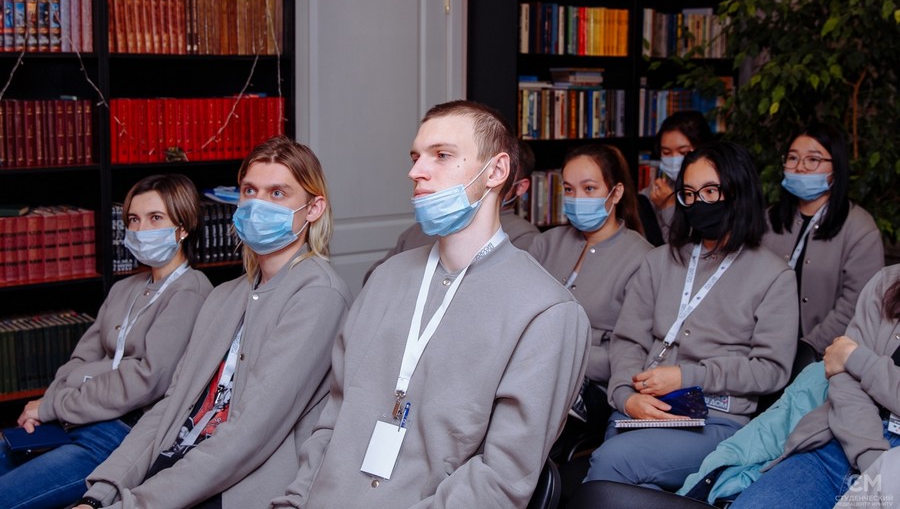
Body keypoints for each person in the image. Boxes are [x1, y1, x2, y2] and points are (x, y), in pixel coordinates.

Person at [271, 100, 590, 508]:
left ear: (496, 172)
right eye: (415, 157)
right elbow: (332, 420)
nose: (416, 171)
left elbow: (499, 481)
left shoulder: (548, 313)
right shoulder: (386, 278)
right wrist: (295, 500)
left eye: (441, 155)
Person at [75, 136, 353, 509]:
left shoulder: (319, 295)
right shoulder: (223, 296)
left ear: (313, 208)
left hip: (236, 490)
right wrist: (100, 494)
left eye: (277, 193)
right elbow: (171, 406)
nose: (257, 205)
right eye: (249, 191)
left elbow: (250, 432)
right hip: (174, 468)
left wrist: (132, 504)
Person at [583, 140, 799, 491]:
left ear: (738, 193)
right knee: (639, 488)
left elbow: (770, 370)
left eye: (711, 192)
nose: (699, 203)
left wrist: (688, 376)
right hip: (642, 408)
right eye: (689, 193)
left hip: (715, 420)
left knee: (612, 461)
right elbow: (628, 341)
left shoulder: (774, 276)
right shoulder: (659, 261)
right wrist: (626, 396)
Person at [0, 174, 213, 509]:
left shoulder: (191, 290)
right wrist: (43, 409)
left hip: (117, 434)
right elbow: (78, 360)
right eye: (134, 219)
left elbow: (146, 380)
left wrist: (54, 405)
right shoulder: (123, 288)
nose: (141, 229)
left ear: (183, 227)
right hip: (71, 419)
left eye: (155, 218)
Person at [730, 264, 900, 509]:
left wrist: (858, 359)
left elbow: (848, 359)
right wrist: (872, 460)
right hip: (842, 438)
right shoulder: (888, 281)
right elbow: (842, 376)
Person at [528, 143, 651, 425]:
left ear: (615, 193)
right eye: (569, 189)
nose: (577, 198)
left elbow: (630, 354)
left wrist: (558, 354)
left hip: (592, 387)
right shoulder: (544, 243)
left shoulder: (642, 258)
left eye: (589, 189)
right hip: (527, 371)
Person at [762, 123, 884, 359]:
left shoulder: (860, 228)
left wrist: (809, 346)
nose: (800, 167)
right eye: (793, 158)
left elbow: (856, 303)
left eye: (813, 159)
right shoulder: (768, 219)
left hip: (824, 356)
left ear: (835, 168)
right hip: (765, 347)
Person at [362, 138, 540, 283]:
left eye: (442, 155)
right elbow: (374, 279)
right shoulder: (429, 224)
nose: (416, 173)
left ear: (520, 187)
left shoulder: (524, 237)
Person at [639, 111, 714, 246]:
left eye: (683, 152)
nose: (674, 159)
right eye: (666, 152)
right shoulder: (657, 190)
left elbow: (685, 248)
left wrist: (669, 206)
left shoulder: (713, 191)